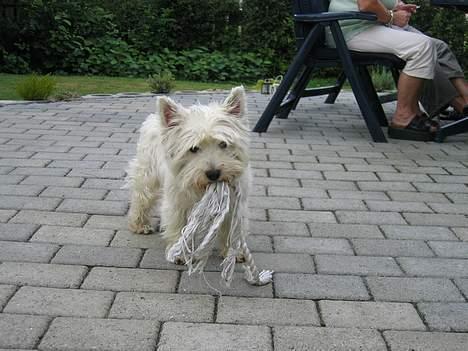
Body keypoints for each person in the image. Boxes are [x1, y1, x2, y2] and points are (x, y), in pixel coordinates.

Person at [326, 0, 468, 141]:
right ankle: (403, 117)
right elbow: (367, 4)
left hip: (370, 24)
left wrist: (396, 6)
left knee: (438, 47)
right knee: (422, 47)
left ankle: (465, 100)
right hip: (349, 29)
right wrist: (392, 17)